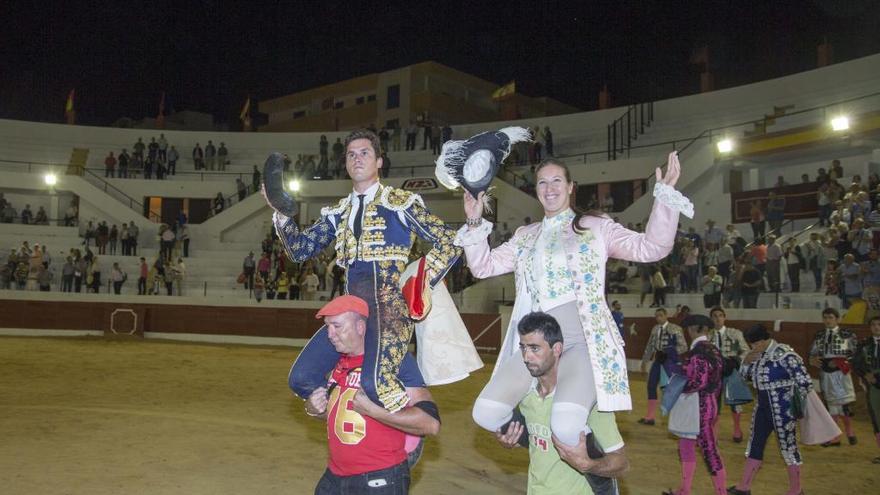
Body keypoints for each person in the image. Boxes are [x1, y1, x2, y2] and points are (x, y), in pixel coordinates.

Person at [461, 152, 692, 466]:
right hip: (536, 347)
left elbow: (651, 248)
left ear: (571, 187)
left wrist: (664, 197)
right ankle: (542, 440)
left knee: (568, 426)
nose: (550, 187)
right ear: (536, 190)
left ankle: (597, 475)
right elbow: (482, 267)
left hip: (581, 342)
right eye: (542, 182)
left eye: (557, 180)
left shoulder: (595, 227)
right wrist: (474, 219)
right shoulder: (525, 236)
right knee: (485, 412)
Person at [272, 129, 460, 413]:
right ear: (345, 162)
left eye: (364, 153)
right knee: (302, 378)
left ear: (379, 161)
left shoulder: (400, 203)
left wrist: (420, 282)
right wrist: (283, 212)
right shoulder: (338, 212)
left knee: (376, 384)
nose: (357, 159)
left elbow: (449, 240)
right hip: (352, 312)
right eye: (351, 154)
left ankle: (404, 443)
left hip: (390, 308)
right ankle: (342, 412)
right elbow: (299, 250)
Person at [302, 295, 440, 494]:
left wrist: (373, 411)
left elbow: (431, 424)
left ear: (360, 327)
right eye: (327, 327)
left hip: (380, 477)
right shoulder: (339, 364)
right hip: (335, 475)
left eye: (337, 326)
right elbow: (340, 415)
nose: (330, 334)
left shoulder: (391, 362)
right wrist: (314, 409)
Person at [494, 312, 629, 494]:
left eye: (535, 349)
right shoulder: (527, 396)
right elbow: (540, 444)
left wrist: (588, 465)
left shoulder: (586, 401)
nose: (526, 357)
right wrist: (512, 441)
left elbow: (621, 463)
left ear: (557, 349)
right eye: (523, 348)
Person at [728, 324, 813, 495]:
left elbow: (805, 381)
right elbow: (746, 377)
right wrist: (745, 362)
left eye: (755, 343)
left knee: (788, 448)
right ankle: (744, 487)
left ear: (764, 340)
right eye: (751, 344)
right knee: (755, 444)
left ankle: (796, 490)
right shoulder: (757, 354)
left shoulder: (785, 354)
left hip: (783, 410)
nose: (753, 347)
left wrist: (794, 404)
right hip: (762, 407)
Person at [663, 314, 727, 495]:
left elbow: (698, 382)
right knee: (686, 444)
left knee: (708, 449)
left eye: (688, 329)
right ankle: (684, 489)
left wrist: (677, 385)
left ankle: (721, 492)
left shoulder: (699, 352)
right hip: (709, 401)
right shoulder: (713, 349)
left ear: (693, 329)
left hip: (700, 406)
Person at [808, 307, 858, 446]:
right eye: (825, 317)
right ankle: (835, 436)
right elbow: (812, 352)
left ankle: (849, 430)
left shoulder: (847, 334)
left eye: (831, 317)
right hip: (825, 372)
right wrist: (812, 359)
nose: (827, 320)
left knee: (843, 403)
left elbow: (855, 353)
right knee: (831, 403)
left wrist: (840, 362)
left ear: (838, 319)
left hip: (841, 372)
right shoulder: (819, 335)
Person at [708, 307, 750, 442]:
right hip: (714, 372)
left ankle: (737, 429)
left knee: (735, 401)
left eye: (720, 315)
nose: (718, 318)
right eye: (715, 316)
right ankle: (714, 433)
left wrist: (735, 361)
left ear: (724, 317)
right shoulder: (707, 335)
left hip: (731, 371)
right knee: (714, 402)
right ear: (711, 319)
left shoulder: (735, 333)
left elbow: (745, 351)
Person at [639, 307, 687, 425]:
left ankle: (676, 417)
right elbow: (650, 345)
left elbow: (683, 346)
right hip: (658, 360)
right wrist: (645, 360)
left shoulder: (675, 329)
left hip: (670, 362)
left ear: (666, 316)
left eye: (660, 315)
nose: (658, 318)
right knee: (651, 385)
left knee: (671, 388)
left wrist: (668, 352)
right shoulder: (655, 329)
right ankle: (650, 416)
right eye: (657, 316)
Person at [852, 316, 880, 464]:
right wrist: (866, 374)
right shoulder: (864, 344)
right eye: (873, 324)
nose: (876, 327)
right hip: (872, 384)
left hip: (876, 380)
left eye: (879, 324)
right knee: (876, 418)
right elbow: (856, 362)